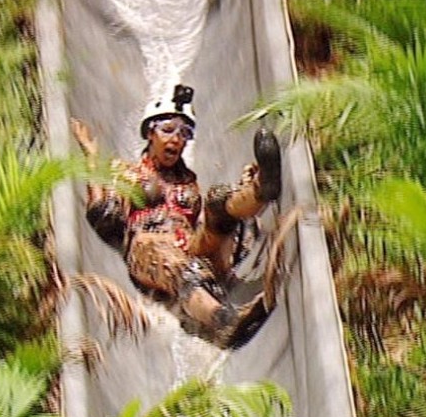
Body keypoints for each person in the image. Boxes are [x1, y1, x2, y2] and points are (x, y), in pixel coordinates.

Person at [70, 84, 282, 349]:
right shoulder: (126, 173)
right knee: (178, 265)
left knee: (217, 201)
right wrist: (91, 156)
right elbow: (102, 215)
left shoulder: (188, 182)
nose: (176, 139)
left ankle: (261, 189)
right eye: (168, 130)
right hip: (149, 246)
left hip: (190, 242)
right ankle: (223, 320)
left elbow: (206, 224)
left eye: (184, 134)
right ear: (150, 133)